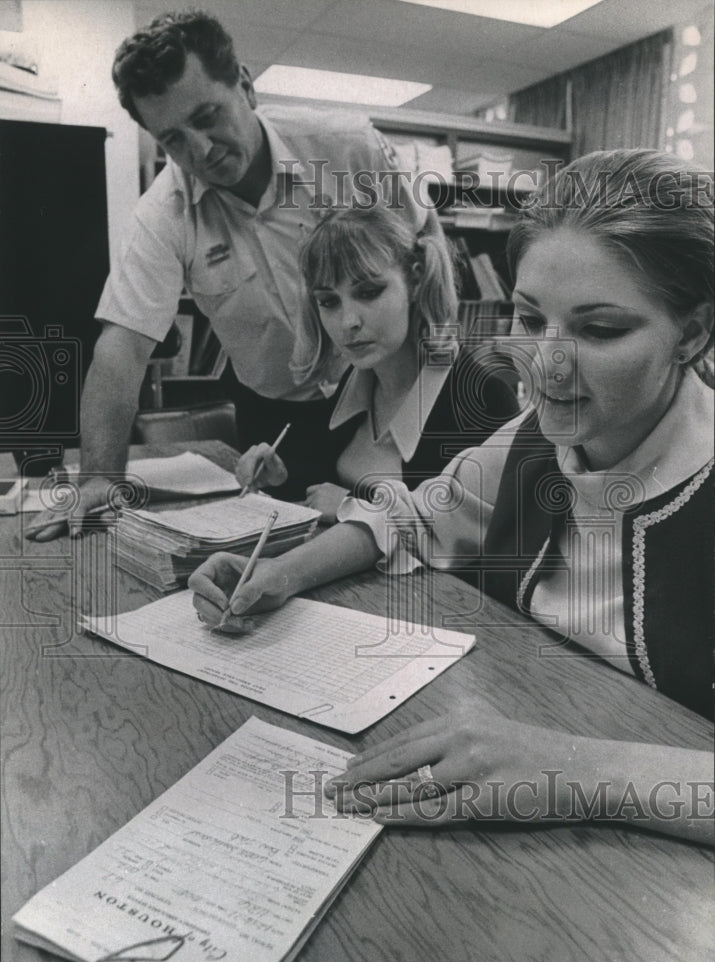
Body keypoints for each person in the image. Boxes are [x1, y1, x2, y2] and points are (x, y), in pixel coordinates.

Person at [189, 150, 714, 844]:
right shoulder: (530, 441)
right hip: (529, 802)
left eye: (599, 330)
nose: (545, 365)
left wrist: (566, 765)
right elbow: (405, 516)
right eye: (530, 321)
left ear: (694, 332)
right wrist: (278, 575)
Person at [25, 9, 422, 541]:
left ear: (245, 85)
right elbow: (121, 350)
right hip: (277, 418)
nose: (202, 150)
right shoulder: (163, 213)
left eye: (208, 116)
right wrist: (100, 478)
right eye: (174, 140)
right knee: (290, 549)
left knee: (415, 543)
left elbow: (427, 254)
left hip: (387, 392)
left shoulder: (347, 148)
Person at [236, 201, 518, 519]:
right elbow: (327, 486)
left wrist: (354, 507)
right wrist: (281, 479)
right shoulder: (357, 378)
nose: (348, 322)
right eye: (329, 301)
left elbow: (475, 543)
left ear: (415, 281)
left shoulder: (486, 400)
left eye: (369, 292)